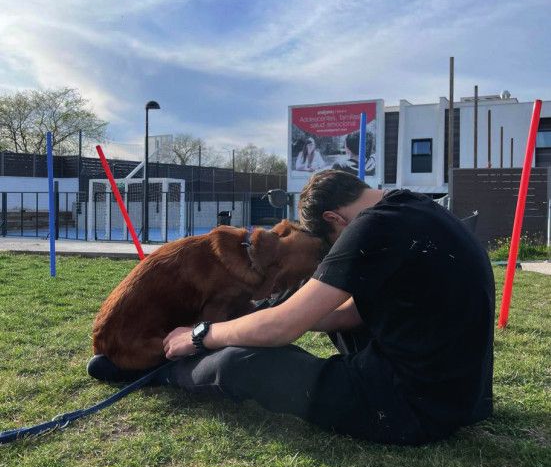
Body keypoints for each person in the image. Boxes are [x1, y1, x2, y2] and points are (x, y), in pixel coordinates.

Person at [88, 170, 495, 445]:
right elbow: (348, 313)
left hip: (408, 409)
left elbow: (282, 329)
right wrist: (264, 315)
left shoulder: (372, 227)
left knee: (241, 361)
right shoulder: (420, 209)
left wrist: (201, 334)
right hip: (462, 397)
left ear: (335, 218)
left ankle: (165, 374)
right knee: (306, 318)